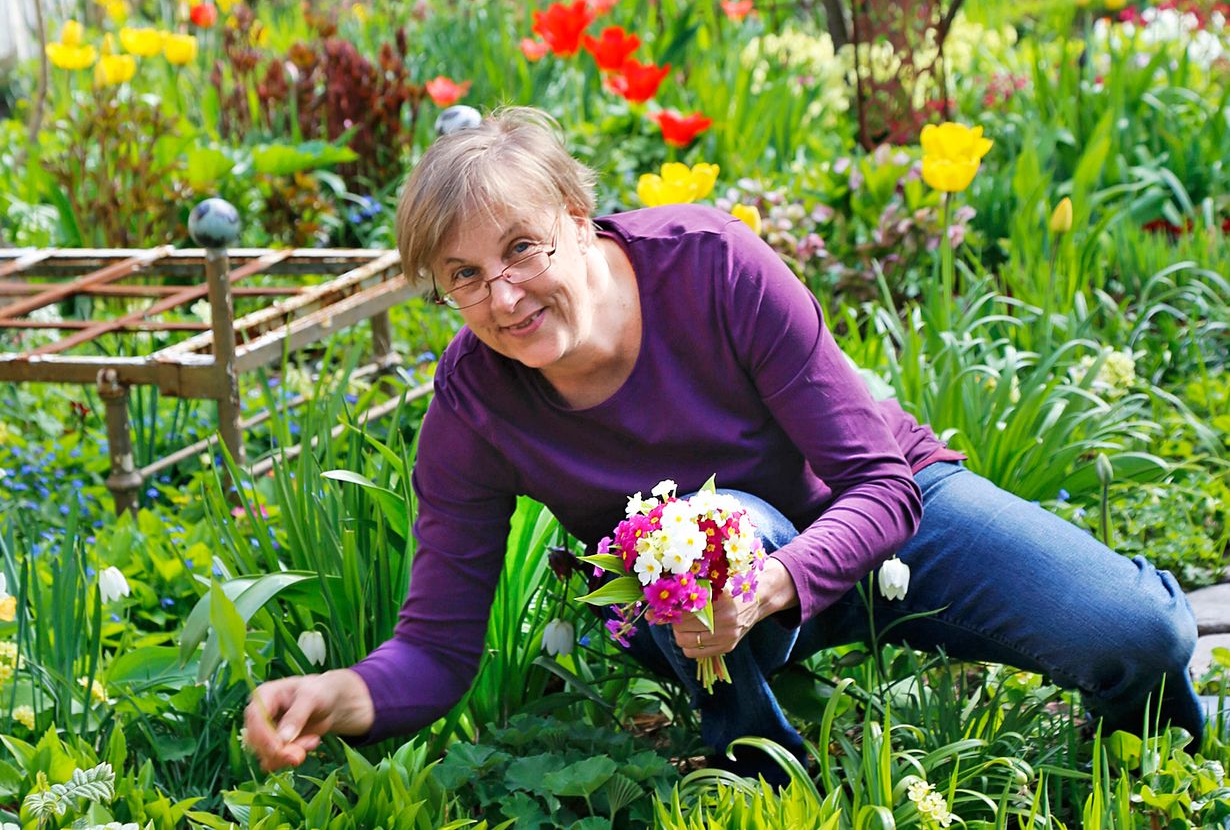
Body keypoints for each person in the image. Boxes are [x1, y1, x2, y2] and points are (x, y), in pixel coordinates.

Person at [243, 107, 1205, 776]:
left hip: (885, 519)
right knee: (685, 534)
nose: (501, 297)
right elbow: (438, 647)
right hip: (711, 601)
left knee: (1141, 636)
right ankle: (756, 765)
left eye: (521, 249)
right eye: (462, 276)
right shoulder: (475, 404)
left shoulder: (709, 266)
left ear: (577, 223)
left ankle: (1156, 753)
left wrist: (775, 582)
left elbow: (879, 482)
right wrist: (340, 693)